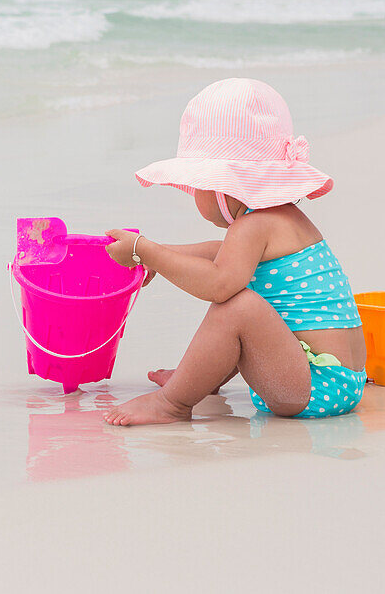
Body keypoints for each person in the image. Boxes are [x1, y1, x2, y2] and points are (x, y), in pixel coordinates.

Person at [102, 78, 366, 426]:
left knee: (236, 306)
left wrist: (144, 249)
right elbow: (219, 254)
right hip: (340, 380)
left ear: (226, 186)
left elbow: (218, 284)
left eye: (198, 185)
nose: (195, 194)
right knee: (244, 294)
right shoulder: (281, 220)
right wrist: (156, 257)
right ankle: (196, 377)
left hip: (312, 386)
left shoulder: (254, 226)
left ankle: (172, 403)